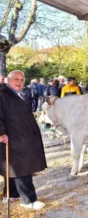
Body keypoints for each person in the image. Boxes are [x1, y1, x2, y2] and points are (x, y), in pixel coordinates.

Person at [0, 70, 47, 210]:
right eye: (16, 79)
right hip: (12, 136)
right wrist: (1, 132)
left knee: (13, 166)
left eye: (21, 79)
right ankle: (28, 200)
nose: (19, 82)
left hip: (21, 136)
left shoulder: (17, 94)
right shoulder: (2, 94)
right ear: (8, 80)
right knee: (22, 166)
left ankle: (11, 194)